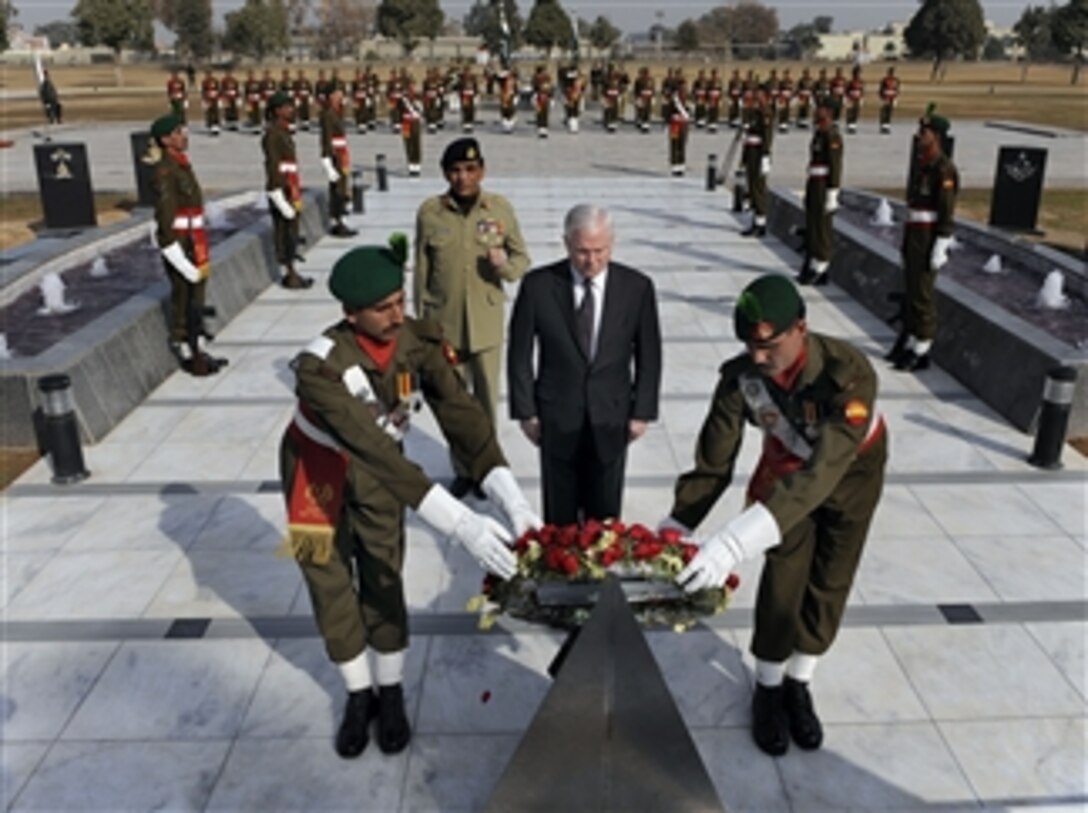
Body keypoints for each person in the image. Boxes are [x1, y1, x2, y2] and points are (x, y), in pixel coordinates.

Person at [280, 238, 541, 759]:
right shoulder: (319, 368)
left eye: (400, 301)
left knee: (383, 569)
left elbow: (462, 416)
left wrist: (509, 495)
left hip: (382, 477)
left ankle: (391, 686)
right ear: (350, 314)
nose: (398, 315)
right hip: (314, 473)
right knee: (325, 577)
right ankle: (358, 694)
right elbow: (370, 446)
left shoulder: (418, 339)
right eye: (383, 310)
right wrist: (460, 524)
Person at [661, 274, 886, 757]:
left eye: (769, 345)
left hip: (852, 477)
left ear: (800, 328)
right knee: (785, 577)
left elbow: (825, 467)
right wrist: (678, 525)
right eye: (749, 345)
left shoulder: (848, 373)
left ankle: (799, 684)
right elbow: (714, 461)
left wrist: (736, 541)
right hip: (788, 473)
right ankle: (767, 686)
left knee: (830, 579)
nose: (759, 358)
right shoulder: (741, 379)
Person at [508, 205, 662, 525]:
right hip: (556, 416)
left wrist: (642, 411)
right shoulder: (538, 286)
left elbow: (649, 354)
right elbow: (520, 353)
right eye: (582, 252)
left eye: (599, 251)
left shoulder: (636, 288)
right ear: (566, 243)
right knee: (560, 517)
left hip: (612, 416)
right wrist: (526, 411)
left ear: (612, 244)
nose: (591, 261)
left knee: (605, 516)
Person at [413, 138, 530, 498]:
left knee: (485, 403)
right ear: (446, 173)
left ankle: (488, 470)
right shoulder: (431, 212)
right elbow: (421, 269)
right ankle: (462, 469)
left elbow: (521, 258)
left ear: (482, 170)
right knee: (453, 404)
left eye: (470, 169)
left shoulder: (499, 210)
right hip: (445, 324)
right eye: (455, 170)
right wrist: (421, 324)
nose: (463, 177)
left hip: (485, 322)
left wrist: (505, 267)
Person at [149, 112, 226, 377]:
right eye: (179, 133)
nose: (184, 136)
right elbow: (166, 220)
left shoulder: (181, 164)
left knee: (197, 296)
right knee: (183, 298)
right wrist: (178, 259)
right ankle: (185, 349)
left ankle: (199, 348)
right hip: (181, 243)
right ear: (165, 139)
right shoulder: (165, 171)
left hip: (195, 240)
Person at [888, 107, 959, 372]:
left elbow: (946, 209)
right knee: (911, 289)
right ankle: (909, 339)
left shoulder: (944, 169)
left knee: (923, 293)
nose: (919, 136)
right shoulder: (924, 163)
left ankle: (922, 348)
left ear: (937, 136)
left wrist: (941, 243)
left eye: (925, 132)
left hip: (928, 236)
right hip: (915, 234)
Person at [263, 91, 313, 290]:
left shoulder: (283, 132)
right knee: (284, 232)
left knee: (291, 231)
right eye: (287, 107)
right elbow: (273, 166)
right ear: (277, 111)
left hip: (290, 186)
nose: (292, 110)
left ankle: (292, 270)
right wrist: (278, 196)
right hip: (282, 189)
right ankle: (289, 273)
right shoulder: (273, 134)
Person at [797, 100, 843, 287]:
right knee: (812, 222)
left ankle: (821, 264)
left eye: (821, 109)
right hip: (814, 183)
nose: (816, 111)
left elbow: (835, 165)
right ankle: (812, 261)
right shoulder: (819, 133)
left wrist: (833, 191)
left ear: (829, 112)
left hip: (824, 185)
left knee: (822, 225)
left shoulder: (832, 136)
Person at [319, 84, 357, 238]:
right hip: (335, 155)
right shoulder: (328, 114)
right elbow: (326, 139)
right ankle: (337, 222)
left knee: (342, 186)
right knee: (337, 189)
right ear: (331, 96)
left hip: (341, 154)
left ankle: (340, 217)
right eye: (338, 94)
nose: (341, 96)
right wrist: (327, 161)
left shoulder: (336, 112)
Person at [741, 86, 774, 237]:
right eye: (756, 95)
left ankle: (761, 224)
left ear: (766, 97)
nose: (757, 98)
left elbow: (767, 137)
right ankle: (755, 221)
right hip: (751, 153)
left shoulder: (766, 113)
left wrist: (765, 156)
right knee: (752, 187)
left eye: (760, 96)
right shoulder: (753, 112)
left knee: (759, 189)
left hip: (760, 154)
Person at [878, 67, 900, 134]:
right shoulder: (884, 80)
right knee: (884, 113)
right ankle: (883, 126)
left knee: (889, 113)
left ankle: (887, 127)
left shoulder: (896, 80)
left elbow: (897, 90)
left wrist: (895, 98)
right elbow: (881, 90)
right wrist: (882, 98)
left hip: (891, 98)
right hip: (885, 98)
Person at [200, 70, 220, 135]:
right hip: (208, 99)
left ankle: (216, 127)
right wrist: (203, 100)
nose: (208, 76)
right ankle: (211, 127)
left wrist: (219, 98)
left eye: (209, 74)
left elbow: (218, 89)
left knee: (215, 112)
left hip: (214, 99)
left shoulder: (215, 81)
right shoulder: (204, 82)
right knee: (209, 113)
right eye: (207, 74)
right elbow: (203, 91)